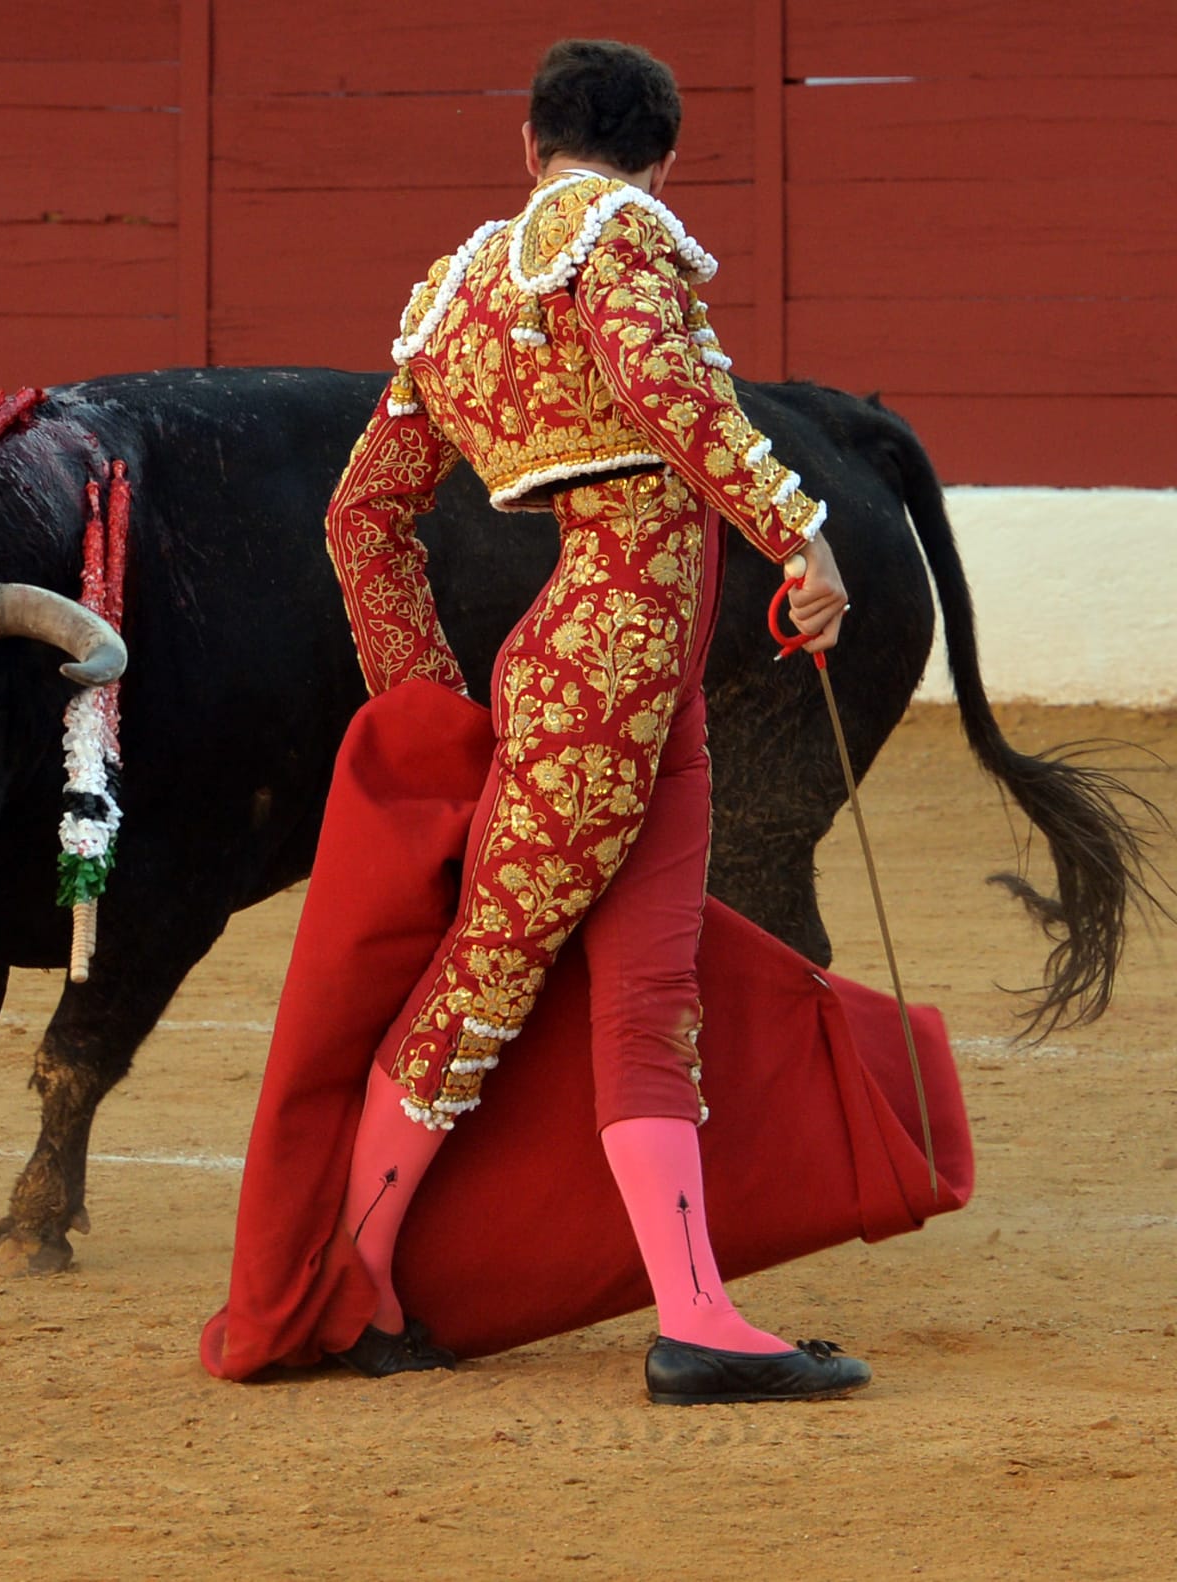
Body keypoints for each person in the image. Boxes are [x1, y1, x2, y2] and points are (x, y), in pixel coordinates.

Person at [320, 38, 870, 1403]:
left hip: (610, 672)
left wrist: (422, 700)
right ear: (666, 156)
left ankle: (695, 1313)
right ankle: (354, 1278)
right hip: (614, 664)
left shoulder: (451, 297)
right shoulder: (621, 239)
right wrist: (799, 535)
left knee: (647, 991)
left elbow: (361, 516)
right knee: (492, 967)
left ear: (528, 142)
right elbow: (667, 387)